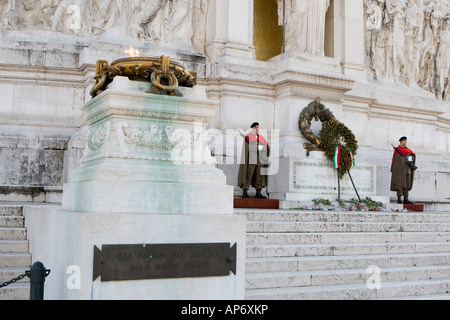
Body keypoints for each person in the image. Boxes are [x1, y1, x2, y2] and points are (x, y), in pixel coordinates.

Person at [238, 122, 270, 199]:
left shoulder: (261, 137)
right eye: (255, 127)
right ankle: (245, 192)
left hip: (260, 161)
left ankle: (258, 193)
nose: (257, 129)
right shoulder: (248, 137)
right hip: (251, 160)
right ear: (251, 128)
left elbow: (267, 148)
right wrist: (254, 148)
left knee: (259, 177)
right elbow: (246, 149)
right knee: (248, 176)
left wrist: (262, 148)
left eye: (258, 127)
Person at [390, 136, 416, 204]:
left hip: (407, 169)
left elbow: (412, 156)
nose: (405, 142)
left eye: (406, 141)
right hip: (400, 170)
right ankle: (399, 198)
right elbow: (398, 160)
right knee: (400, 184)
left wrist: (412, 158)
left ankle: (406, 199)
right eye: (404, 141)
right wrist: (407, 159)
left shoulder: (408, 150)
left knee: (407, 184)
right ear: (401, 141)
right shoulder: (397, 150)